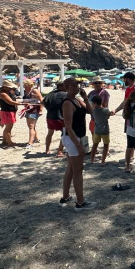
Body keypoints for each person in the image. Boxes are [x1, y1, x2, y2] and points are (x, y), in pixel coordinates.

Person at [60, 78, 96, 210]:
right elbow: (68, 127)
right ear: (68, 87)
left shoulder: (77, 100)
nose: (78, 87)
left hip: (77, 137)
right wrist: (79, 145)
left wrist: (85, 98)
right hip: (72, 138)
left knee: (70, 168)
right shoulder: (67, 103)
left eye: (79, 84)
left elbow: (91, 111)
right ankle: (80, 202)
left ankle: (65, 197)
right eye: (75, 85)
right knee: (78, 170)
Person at [0, 80, 25, 148]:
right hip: (7, 111)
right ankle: (10, 143)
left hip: (9, 111)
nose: (10, 88)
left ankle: (4, 141)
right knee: (9, 128)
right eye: (9, 87)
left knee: (7, 127)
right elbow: (10, 102)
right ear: (4, 87)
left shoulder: (7, 92)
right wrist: (22, 103)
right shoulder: (3, 93)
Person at [43, 81, 68, 156]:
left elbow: (43, 102)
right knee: (64, 134)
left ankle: (47, 149)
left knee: (50, 133)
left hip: (50, 116)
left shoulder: (51, 93)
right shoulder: (65, 94)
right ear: (61, 86)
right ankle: (60, 151)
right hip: (59, 117)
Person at [89, 95, 112, 165]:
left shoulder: (94, 111)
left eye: (92, 103)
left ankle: (92, 160)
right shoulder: (106, 110)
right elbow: (107, 117)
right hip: (105, 131)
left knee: (95, 145)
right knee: (106, 145)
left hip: (97, 131)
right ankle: (103, 161)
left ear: (95, 104)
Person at [21, 79, 44, 150]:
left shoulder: (34, 90)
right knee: (31, 126)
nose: (23, 86)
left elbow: (41, 100)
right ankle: (36, 139)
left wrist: (40, 110)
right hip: (28, 110)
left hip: (34, 110)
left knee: (31, 126)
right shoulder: (26, 91)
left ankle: (30, 143)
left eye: (24, 84)